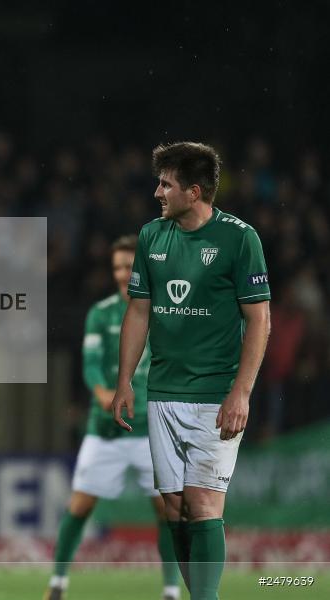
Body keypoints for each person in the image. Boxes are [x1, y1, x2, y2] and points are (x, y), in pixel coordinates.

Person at [113, 142, 271, 600]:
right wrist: (126, 379)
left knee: (203, 505)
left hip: (216, 394)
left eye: (166, 184)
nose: (157, 191)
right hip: (163, 391)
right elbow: (138, 311)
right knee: (175, 508)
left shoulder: (240, 238)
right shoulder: (150, 237)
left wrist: (241, 392)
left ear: (194, 191)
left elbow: (259, 318)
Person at [44, 235, 180, 600]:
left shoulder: (166, 309)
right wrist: (102, 393)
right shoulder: (101, 313)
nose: (122, 274)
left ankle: (171, 590)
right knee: (80, 505)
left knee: (167, 508)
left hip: (152, 430)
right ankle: (57, 584)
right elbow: (90, 365)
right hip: (104, 429)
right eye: (117, 267)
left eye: (128, 266)